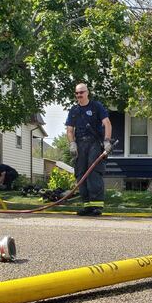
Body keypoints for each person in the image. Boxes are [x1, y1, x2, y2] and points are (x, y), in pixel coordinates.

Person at [65, 83, 112, 216]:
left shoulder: (96, 106)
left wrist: (107, 141)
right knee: (81, 173)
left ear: (87, 92)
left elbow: (107, 123)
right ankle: (87, 206)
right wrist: (72, 144)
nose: (79, 95)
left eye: (81, 92)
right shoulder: (74, 110)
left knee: (93, 172)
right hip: (80, 144)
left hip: (94, 143)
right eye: (77, 93)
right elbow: (69, 130)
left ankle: (96, 206)